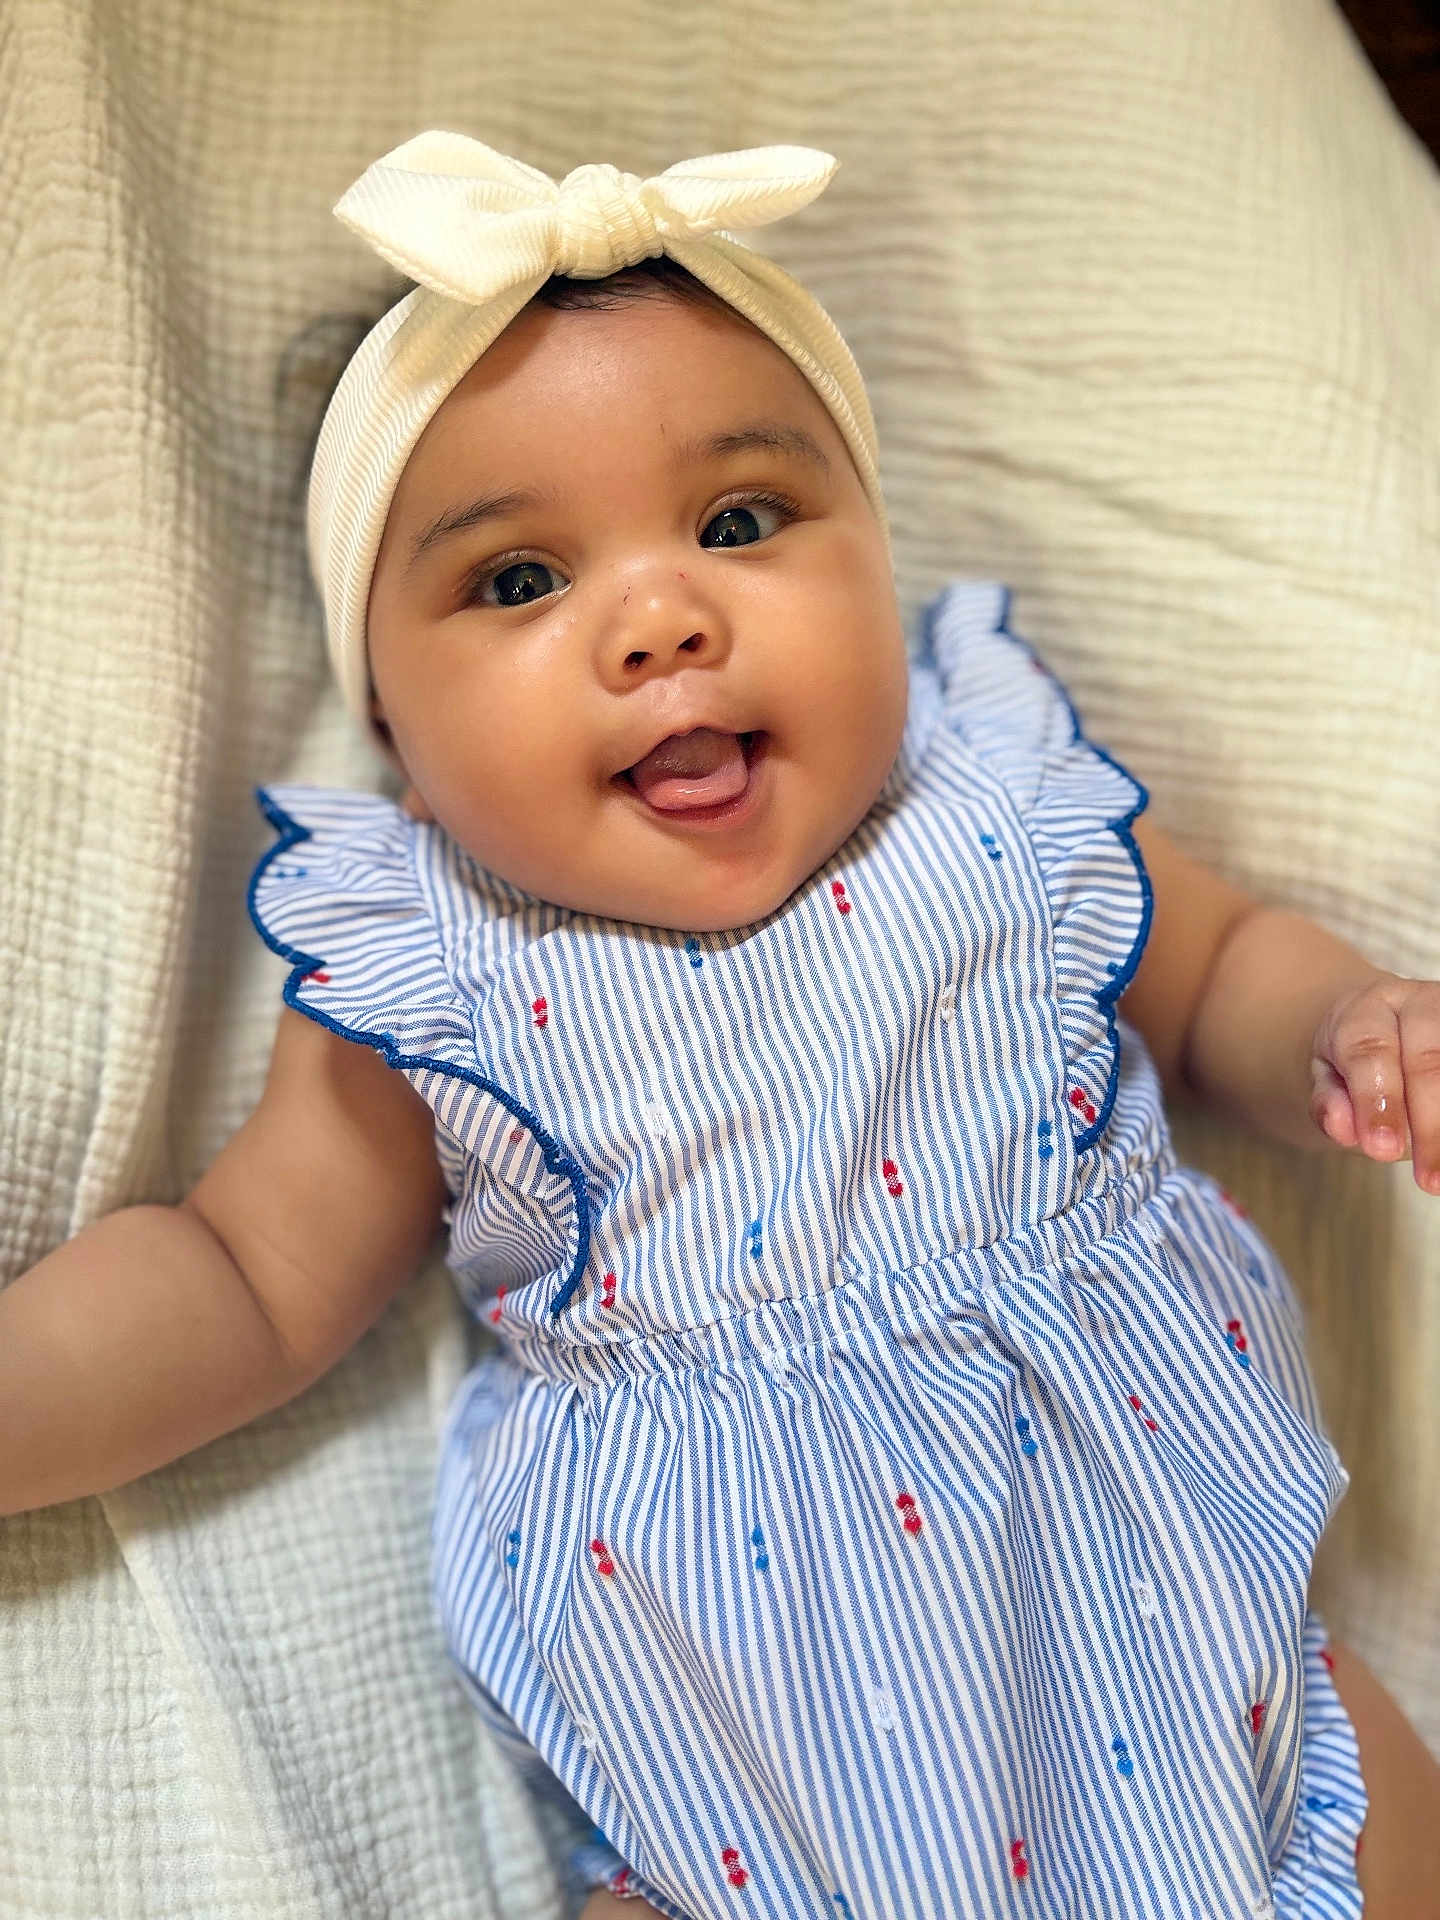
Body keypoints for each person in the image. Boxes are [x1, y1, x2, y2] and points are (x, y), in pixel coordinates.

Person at [3, 133, 1438, 1920]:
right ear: (394, 734)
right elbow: (241, 1279)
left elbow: (1221, 971)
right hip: (751, 1791)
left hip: (1194, 1654)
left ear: (876, 550)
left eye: (740, 523)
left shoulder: (993, 801)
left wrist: (1352, 1026)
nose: (663, 617)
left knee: (1388, 1814)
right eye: (518, 582)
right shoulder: (438, 971)